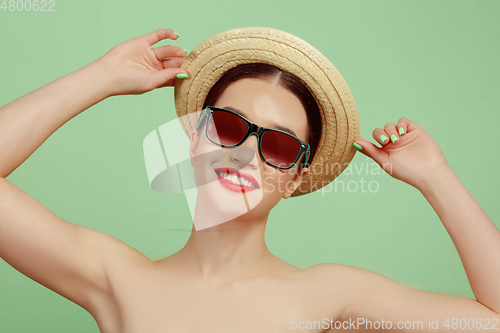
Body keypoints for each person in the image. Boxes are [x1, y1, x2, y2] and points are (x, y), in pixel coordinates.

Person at [0, 28, 498, 332]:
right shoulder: (118, 280)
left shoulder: (328, 296)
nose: (244, 155)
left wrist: (436, 177)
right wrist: (102, 76)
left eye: (278, 145)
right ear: (194, 137)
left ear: (297, 174)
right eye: (228, 127)